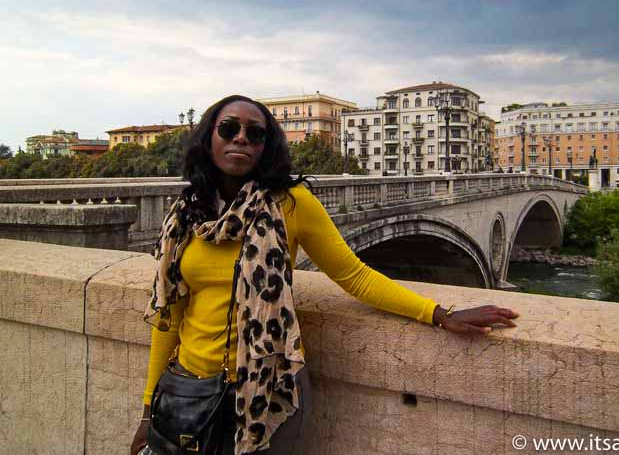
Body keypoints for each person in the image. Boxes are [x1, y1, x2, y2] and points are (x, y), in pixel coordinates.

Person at [131, 95, 519, 455]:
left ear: (267, 146)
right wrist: (149, 410)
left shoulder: (290, 203)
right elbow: (169, 317)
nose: (242, 139)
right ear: (208, 137)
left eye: (256, 133)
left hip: (269, 390)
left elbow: (355, 275)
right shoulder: (185, 215)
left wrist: (440, 314)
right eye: (229, 129)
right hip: (188, 391)